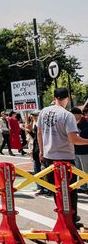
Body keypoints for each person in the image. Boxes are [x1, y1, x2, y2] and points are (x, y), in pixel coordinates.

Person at [37, 89, 88, 228]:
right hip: (64, 157)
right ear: (68, 99)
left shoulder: (43, 112)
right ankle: (71, 218)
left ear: (54, 97)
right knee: (70, 190)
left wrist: (41, 151)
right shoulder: (67, 115)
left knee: (56, 189)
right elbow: (73, 139)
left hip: (48, 156)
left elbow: (39, 133)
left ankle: (62, 214)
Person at [28, 111, 48, 196]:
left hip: (42, 150)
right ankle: (40, 187)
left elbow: (42, 139)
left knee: (44, 169)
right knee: (37, 169)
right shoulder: (36, 124)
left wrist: (41, 151)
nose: (35, 117)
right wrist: (29, 131)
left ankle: (45, 188)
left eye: (36, 115)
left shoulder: (44, 125)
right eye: (34, 116)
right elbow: (36, 138)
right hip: (37, 149)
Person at [71, 107, 88, 194]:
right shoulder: (72, 123)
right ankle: (83, 187)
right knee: (79, 170)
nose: (72, 116)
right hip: (75, 150)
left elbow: (83, 136)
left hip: (85, 151)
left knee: (86, 170)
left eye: (73, 114)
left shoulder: (86, 123)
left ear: (78, 114)